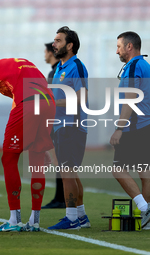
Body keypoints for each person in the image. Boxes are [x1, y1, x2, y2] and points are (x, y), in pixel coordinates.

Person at [0, 58, 56, 232]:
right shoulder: (21, 65)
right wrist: (42, 143)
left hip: (28, 103)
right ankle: (35, 221)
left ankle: (14, 220)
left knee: (9, 159)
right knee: (37, 162)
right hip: (49, 102)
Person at [110, 31, 150, 229]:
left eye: (119, 47)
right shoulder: (146, 66)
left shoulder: (133, 67)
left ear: (129, 47)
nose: (117, 51)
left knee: (117, 169)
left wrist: (119, 128)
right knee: (146, 172)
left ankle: (143, 208)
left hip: (136, 127)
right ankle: (147, 221)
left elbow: (130, 99)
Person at [47, 26, 90, 230]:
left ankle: (71, 218)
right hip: (60, 127)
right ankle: (81, 216)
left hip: (72, 127)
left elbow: (82, 99)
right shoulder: (60, 68)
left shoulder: (77, 66)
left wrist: (51, 104)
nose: (54, 44)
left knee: (67, 173)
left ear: (70, 45)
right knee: (70, 173)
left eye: (58, 41)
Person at [42, 42, 66, 209]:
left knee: (60, 161)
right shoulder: (58, 71)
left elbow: (50, 101)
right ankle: (61, 198)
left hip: (58, 123)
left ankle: (61, 199)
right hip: (62, 122)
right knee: (61, 162)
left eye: (46, 51)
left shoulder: (55, 72)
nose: (44, 54)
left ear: (51, 52)